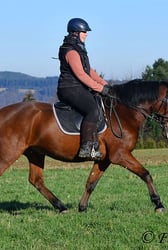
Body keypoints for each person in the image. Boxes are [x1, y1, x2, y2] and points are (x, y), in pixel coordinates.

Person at [57, 18, 112, 160]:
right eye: (84, 32)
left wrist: (105, 85)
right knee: (93, 110)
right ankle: (86, 147)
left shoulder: (79, 49)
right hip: (69, 88)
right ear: (76, 33)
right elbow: (80, 74)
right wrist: (99, 88)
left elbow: (89, 71)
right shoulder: (70, 50)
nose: (86, 34)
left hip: (78, 88)